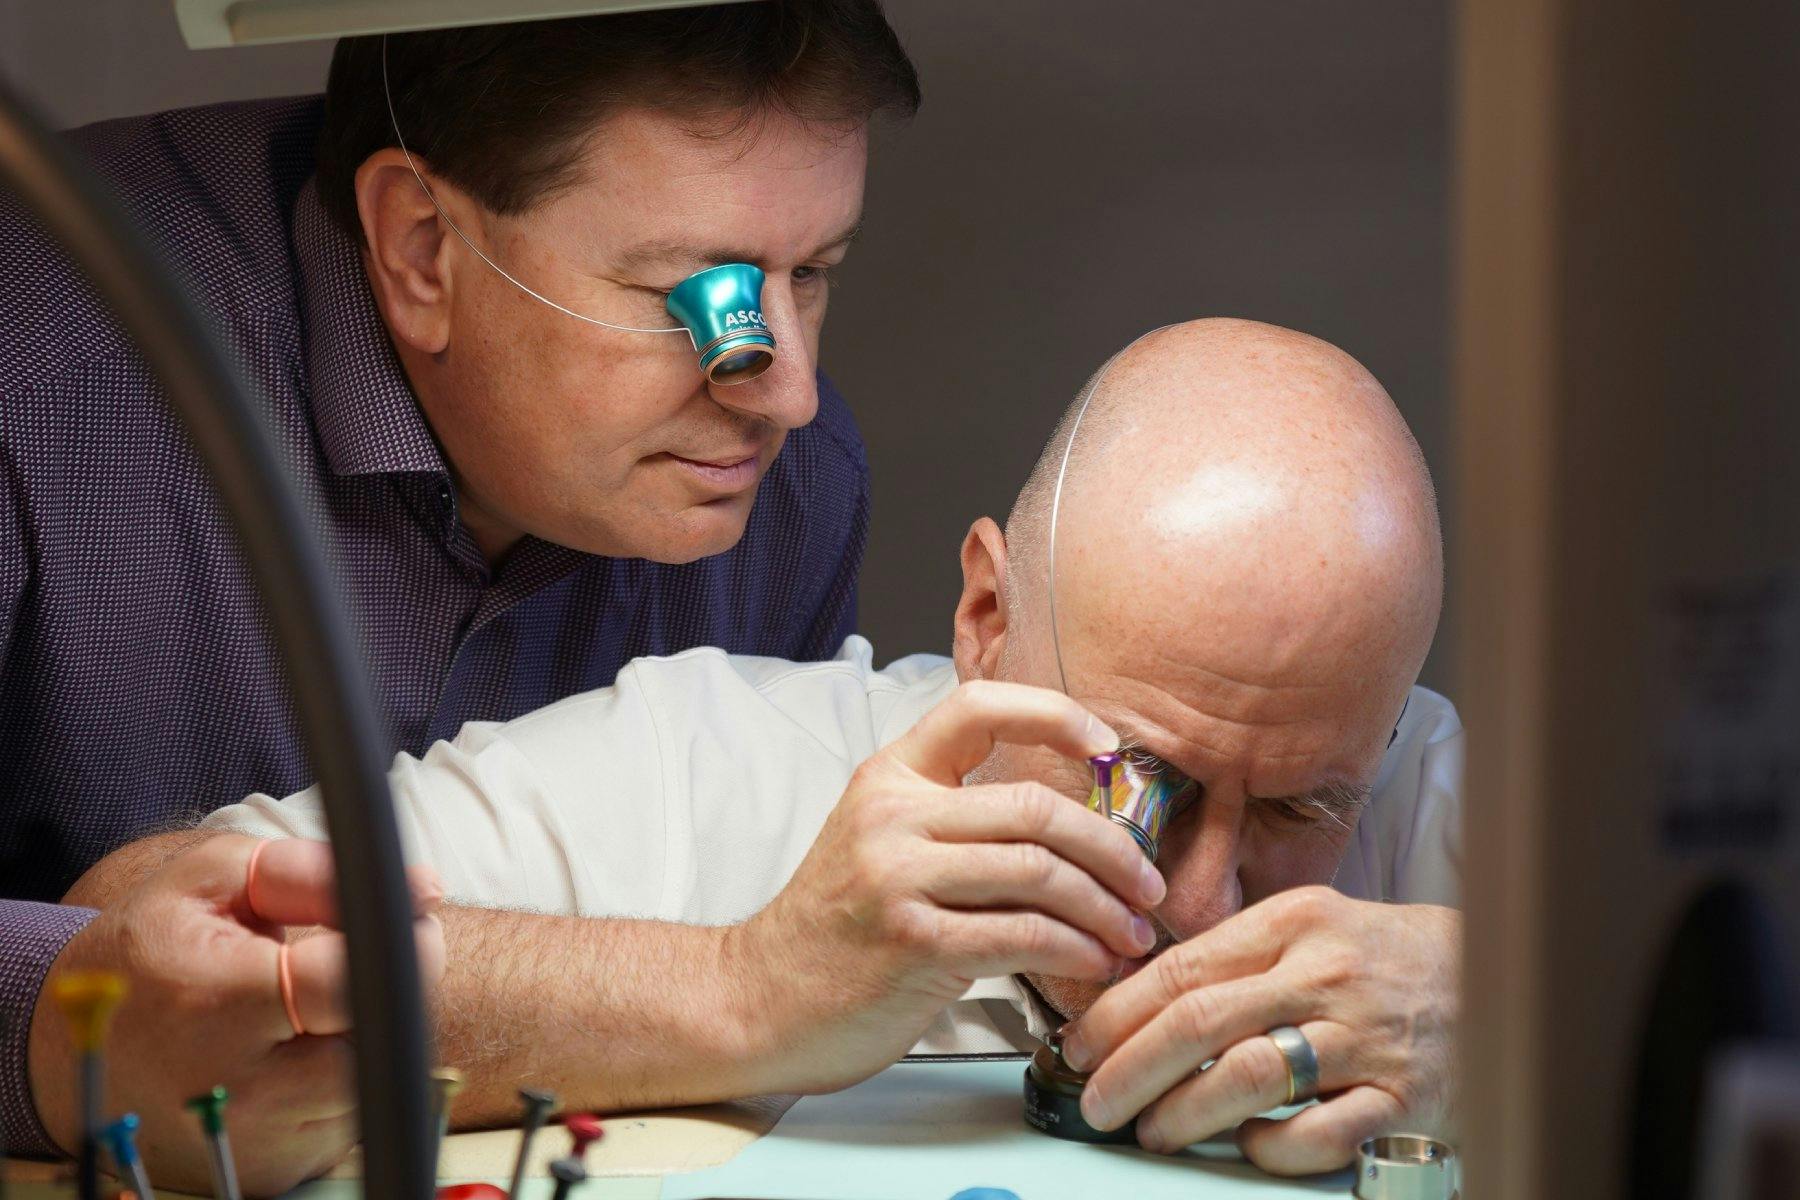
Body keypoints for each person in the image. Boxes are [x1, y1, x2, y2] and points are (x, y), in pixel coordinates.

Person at [84, 318, 1460, 1180]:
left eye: (1300, 807)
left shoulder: (1457, 829)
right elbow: (131, 943)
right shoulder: (707, 766)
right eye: (1137, 780)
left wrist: (1515, 1026)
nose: (1201, 902)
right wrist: (747, 985)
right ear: (986, 621)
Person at [0, 3, 918, 1192]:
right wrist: (55, 1032)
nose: (784, 394)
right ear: (422, 248)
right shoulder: (35, 381)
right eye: (701, 294)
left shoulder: (788, 495)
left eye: (815, 274)